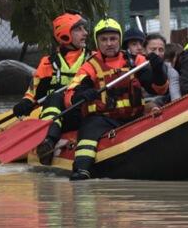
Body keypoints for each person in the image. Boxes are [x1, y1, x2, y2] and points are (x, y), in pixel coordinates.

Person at [64, 18, 168, 180]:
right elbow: (70, 95)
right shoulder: (89, 66)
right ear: (97, 42)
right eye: (104, 40)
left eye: (113, 39)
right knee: (89, 128)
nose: (109, 43)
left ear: (119, 39)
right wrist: (83, 94)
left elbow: (157, 88)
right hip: (103, 119)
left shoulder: (135, 61)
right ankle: (81, 169)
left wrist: (158, 69)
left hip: (133, 116)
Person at [12, 12, 90, 165]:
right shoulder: (47, 63)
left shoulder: (92, 58)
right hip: (58, 117)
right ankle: (47, 142)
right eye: (79, 29)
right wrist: (26, 103)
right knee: (54, 97)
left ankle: (48, 141)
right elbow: (33, 92)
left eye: (84, 29)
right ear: (65, 34)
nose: (85, 33)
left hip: (82, 112)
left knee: (56, 97)